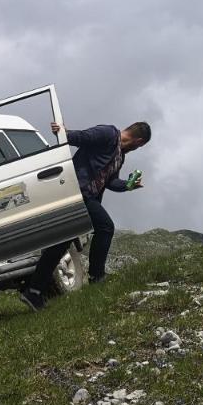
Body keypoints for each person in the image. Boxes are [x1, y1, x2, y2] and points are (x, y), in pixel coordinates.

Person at [18, 120, 151, 310]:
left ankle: (33, 291)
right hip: (78, 192)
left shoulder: (120, 156)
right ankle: (97, 277)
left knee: (61, 242)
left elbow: (111, 181)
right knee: (105, 227)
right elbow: (81, 137)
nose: (137, 149)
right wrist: (64, 131)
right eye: (140, 146)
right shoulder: (108, 134)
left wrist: (128, 186)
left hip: (88, 197)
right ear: (138, 141)